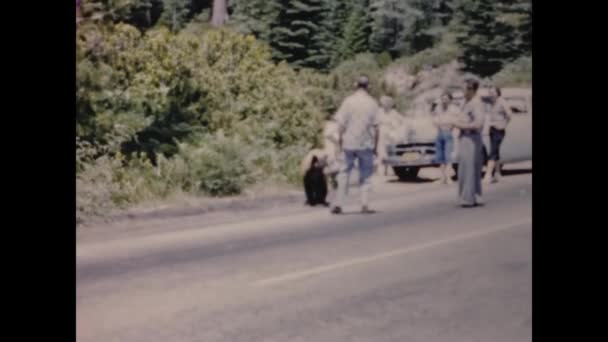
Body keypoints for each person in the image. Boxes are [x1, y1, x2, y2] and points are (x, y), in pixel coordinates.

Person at [331, 75, 380, 214]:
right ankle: (364, 203)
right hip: (366, 143)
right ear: (367, 86)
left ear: (355, 85)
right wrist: (376, 147)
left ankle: (339, 203)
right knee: (365, 175)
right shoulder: (372, 103)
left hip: (349, 143)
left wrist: (339, 143)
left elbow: (341, 124)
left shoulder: (348, 102)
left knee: (344, 173)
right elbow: (377, 127)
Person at [452, 79, 485, 207]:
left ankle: (468, 198)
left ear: (471, 89)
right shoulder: (466, 102)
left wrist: (460, 124)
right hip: (464, 138)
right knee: (465, 168)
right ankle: (474, 196)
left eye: (464, 89)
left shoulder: (476, 103)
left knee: (469, 168)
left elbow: (478, 124)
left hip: (471, 138)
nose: (462, 91)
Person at [483, 86, 513, 184]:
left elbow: (509, 114)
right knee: (496, 151)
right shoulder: (492, 102)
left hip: (498, 130)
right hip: (492, 129)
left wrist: (503, 124)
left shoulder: (502, 101)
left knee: (493, 152)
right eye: (490, 92)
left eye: (493, 92)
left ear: (498, 92)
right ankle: (497, 173)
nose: (491, 94)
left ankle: (488, 175)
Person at [431, 92, 459, 184]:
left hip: (449, 133)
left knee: (448, 156)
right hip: (440, 132)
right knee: (440, 157)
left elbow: (457, 121)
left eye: (446, 99)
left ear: (450, 100)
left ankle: (448, 178)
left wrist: (450, 125)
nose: (444, 101)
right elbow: (434, 119)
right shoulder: (438, 108)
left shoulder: (454, 109)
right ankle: (442, 177)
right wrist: (438, 124)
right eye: (442, 99)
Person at [377, 96, 404, 176]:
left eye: (387, 103)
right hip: (382, 133)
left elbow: (401, 120)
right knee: (381, 151)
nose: (385, 105)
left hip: (391, 133)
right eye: (383, 103)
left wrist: (396, 128)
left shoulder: (394, 112)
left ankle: (391, 169)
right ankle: (382, 170)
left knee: (391, 151)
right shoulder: (379, 112)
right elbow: (376, 122)